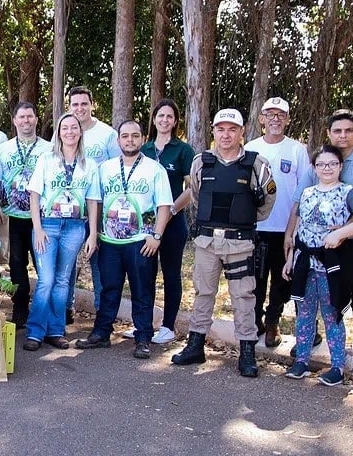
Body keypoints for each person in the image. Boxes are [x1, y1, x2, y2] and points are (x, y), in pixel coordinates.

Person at [172, 108, 277, 377]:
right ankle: (195, 346)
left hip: (240, 243)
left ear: (242, 132)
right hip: (207, 241)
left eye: (232, 129)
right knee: (203, 293)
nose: (226, 134)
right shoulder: (201, 162)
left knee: (243, 297)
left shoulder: (256, 164)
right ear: (214, 132)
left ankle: (247, 352)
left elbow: (266, 202)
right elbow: (196, 195)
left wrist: (242, 220)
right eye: (220, 129)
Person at [287, 109, 353, 352]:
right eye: (337, 131)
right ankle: (307, 341)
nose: (343, 136)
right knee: (310, 290)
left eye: (348, 130)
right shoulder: (320, 161)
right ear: (329, 133)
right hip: (319, 245)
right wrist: (289, 237)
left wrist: (340, 232)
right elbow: (300, 203)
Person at [282, 145, 353, 386]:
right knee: (304, 312)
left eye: (332, 164)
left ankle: (337, 366)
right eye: (322, 164)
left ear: (340, 166)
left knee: (332, 312)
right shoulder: (306, 193)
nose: (327, 168)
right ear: (314, 168)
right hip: (305, 261)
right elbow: (299, 228)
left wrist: (342, 233)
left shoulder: (349, 192)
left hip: (332, 263)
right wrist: (290, 258)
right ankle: (302, 361)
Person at [75, 120, 172, 359]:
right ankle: (101, 332)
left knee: (142, 290)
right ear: (118, 141)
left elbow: (164, 205)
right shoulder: (105, 168)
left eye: (135, 136)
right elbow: (95, 201)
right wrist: (94, 234)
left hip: (141, 242)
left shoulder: (154, 169)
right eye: (125, 136)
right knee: (109, 288)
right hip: (110, 241)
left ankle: (143, 337)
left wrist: (156, 237)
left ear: (142, 139)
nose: (130, 140)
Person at [25, 113, 100, 351]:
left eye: (74, 127)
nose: (69, 132)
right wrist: (37, 229)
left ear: (80, 132)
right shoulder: (46, 159)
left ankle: (56, 331)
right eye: (64, 128)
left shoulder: (89, 164)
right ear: (58, 133)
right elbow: (34, 195)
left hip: (75, 227)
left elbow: (92, 201)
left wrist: (93, 233)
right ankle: (35, 331)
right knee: (46, 280)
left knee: (62, 282)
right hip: (47, 225)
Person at [242, 96, 311, 348]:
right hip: (257, 227)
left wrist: (297, 228)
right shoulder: (250, 148)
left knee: (283, 280)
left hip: (285, 228)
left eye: (281, 115)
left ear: (288, 120)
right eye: (270, 114)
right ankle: (256, 320)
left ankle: (273, 322)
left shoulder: (297, 150)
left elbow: (305, 190)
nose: (275, 119)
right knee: (256, 279)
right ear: (261, 119)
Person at [0, 101, 52, 328]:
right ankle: (20, 309)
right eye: (21, 117)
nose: (26, 121)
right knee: (16, 265)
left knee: (44, 265)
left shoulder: (48, 148)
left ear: (36, 120)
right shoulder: (3, 149)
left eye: (30, 116)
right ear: (14, 120)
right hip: (12, 217)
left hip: (41, 218)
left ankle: (46, 311)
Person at [140, 98, 195, 343]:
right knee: (145, 274)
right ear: (154, 119)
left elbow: (193, 188)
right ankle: (144, 323)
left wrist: (171, 209)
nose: (164, 120)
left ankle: (168, 327)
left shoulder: (183, 150)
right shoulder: (145, 149)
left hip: (174, 223)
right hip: (147, 224)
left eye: (169, 117)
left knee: (171, 274)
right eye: (160, 116)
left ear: (175, 121)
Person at [66, 86, 120, 318]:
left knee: (99, 263)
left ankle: (101, 312)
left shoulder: (107, 134)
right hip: (68, 211)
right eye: (75, 104)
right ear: (69, 107)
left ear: (92, 105)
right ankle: (65, 308)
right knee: (67, 263)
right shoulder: (64, 130)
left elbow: (117, 169)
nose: (80, 108)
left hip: (98, 209)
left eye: (84, 104)